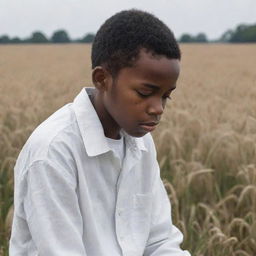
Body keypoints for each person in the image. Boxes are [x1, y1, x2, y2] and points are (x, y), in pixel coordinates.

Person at [9, 9, 191, 256]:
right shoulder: (53, 152)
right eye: (145, 93)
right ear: (102, 79)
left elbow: (159, 242)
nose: (158, 108)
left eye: (166, 96)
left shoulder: (142, 144)